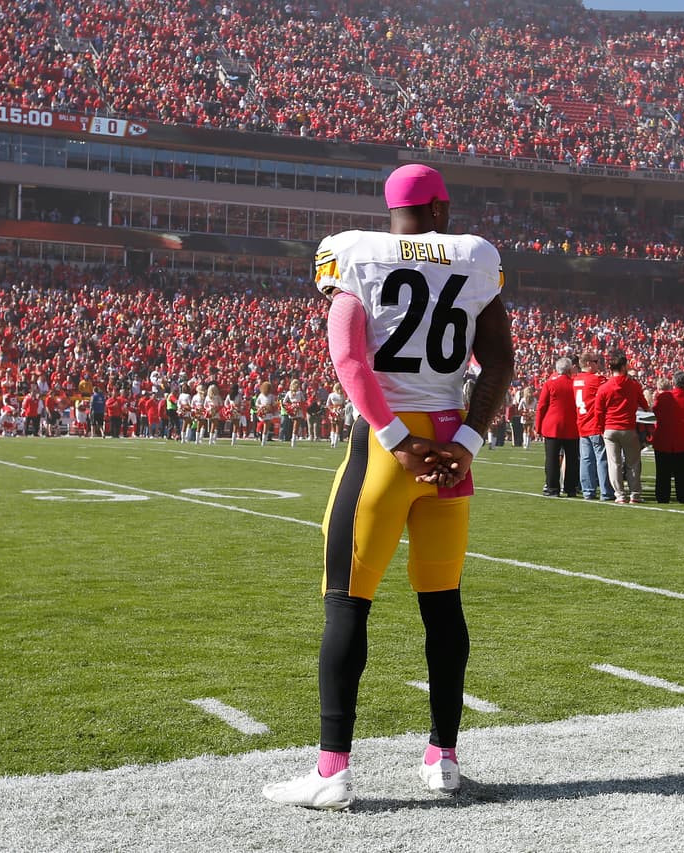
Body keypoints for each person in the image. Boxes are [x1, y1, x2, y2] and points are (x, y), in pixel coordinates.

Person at [264, 163, 514, 810]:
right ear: (436, 209)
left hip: (388, 452)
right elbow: (500, 360)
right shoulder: (475, 259)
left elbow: (347, 356)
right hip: (449, 454)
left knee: (347, 602)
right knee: (442, 604)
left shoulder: (356, 255)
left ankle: (332, 769)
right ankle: (443, 756)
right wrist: (464, 445)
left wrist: (397, 439)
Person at [596, 349, 649, 504]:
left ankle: (619, 494)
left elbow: (598, 412)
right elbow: (644, 404)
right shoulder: (633, 385)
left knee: (614, 463)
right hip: (628, 428)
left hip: (610, 428)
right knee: (633, 462)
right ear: (624, 366)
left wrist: (601, 429)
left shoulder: (604, 387)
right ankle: (635, 494)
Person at [651, 371, 684, 504]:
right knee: (683, 473)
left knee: (662, 473)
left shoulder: (663, 397)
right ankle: (683, 496)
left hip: (664, 439)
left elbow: (655, 410)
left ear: (673, 382)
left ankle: (662, 496)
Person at [535, 357, 579, 497]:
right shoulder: (574, 384)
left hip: (552, 426)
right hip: (572, 426)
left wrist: (538, 426)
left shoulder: (550, 384)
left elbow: (541, 406)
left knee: (552, 459)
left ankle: (553, 488)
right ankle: (571, 488)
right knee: (572, 459)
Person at [573, 351, 613, 501]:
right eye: (596, 361)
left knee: (586, 459)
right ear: (589, 363)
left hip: (582, 424)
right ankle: (605, 491)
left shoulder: (576, 379)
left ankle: (588, 491)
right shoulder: (597, 380)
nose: (599, 364)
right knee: (601, 459)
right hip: (594, 424)